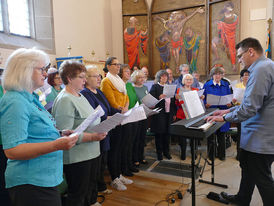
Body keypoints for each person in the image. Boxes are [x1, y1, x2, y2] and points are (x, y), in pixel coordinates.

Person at [0, 48, 78, 206]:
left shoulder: (29, 97)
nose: (46, 73)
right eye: (42, 69)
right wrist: (56, 145)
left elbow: (35, 131)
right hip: (30, 181)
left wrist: (60, 134)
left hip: (43, 177)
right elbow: (13, 150)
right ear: (25, 70)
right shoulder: (15, 101)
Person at [206, 38, 274, 206]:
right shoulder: (266, 65)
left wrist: (223, 118)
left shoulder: (260, 70)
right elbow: (250, 103)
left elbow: (250, 108)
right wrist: (228, 110)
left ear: (251, 51)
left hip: (261, 136)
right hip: (259, 134)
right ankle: (242, 198)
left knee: (262, 178)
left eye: (240, 55)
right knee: (248, 169)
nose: (239, 60)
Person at [52, 61, 107, 206]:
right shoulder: (65, 99)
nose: (85, 80)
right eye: (81, 77)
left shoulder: (79, 95)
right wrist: (93, 136)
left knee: (89, 190)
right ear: (69, 78)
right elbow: (66, 135)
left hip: (92, 152)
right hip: (77, 157)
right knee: (77, 195)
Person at [80, 65, 119, 195]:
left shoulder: (99, 91)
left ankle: (101, 186)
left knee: (103, 160)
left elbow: (108, 107)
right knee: (98, 162)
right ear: (86, 78)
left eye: (99, 76)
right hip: (96, 131)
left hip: (105, 128)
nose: (99, 79)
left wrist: (120, 113)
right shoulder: (85, 93)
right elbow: (92, 114)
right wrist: (108, 117)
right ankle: (97, 188)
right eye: (95, 76)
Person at [100, 57, 133, 191]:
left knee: (120, 148)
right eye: (115, 64)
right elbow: (110, 101)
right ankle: (114, 178)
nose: (118, 66)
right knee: (114, 150)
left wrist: (125, 107)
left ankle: (118, 174)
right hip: (114, 116)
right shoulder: (106, 81)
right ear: (108, 66)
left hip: (122, 115)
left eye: (119, 64)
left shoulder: (119, 80)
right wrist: (121, 109)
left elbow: (126, 97)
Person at [203, 66, 232, 160]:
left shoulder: (226, 84)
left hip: (223, 112)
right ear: (212, 75)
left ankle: (221, 155)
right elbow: (203, 98)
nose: (217, 76)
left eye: (219, 74)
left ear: (222, 75)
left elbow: (229, 97)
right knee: (211, 135)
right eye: (215, 74)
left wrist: (229, 103)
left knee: (222, 134)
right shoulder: (207, 85)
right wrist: (205, 104)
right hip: (211, 112)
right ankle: (211, 155)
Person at [150, 70, 176, 160]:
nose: (164, 78)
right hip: (159, 114)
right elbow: (151, 101)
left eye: (166, 76)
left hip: (168, 114)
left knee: (167, 134)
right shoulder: (155, 87)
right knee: (159, 135)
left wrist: (174, 113)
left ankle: (166, 152)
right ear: (159, 77)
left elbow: (173, 102)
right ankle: (159, 153)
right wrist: (159, 97)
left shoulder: (169, 87)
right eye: (162, 76)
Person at [174, 74, 202, 160]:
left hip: (193, 115)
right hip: (182, 114)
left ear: (192, 81)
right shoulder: (179, 90)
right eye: (187, 80)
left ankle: (194, 153)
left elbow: (198, 103)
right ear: (183, 81)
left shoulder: (196, 90)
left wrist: (201, 98)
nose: (189, 81)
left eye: (190, 79)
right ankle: (183, 153)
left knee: (194, 135)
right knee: (182, 136)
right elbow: (177, 104)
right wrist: (177, 99)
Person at [119, 64, 139, 177]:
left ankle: (130, 163)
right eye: (126, 71)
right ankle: (124, 167)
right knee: (125, 143)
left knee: (131, 142)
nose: (129, 73)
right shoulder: (120, 86)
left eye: (129, 71)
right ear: (121, 73)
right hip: (125, 117)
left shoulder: (130, 86)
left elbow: (135, 99)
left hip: (134, 115)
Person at [131, 69, 149, 166]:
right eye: (139, 77)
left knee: (143, 138)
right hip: (135, 115)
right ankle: (135, 158)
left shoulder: (145, 87)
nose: (142, 79)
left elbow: (147, 98)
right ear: (135, 78)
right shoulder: (132, 88)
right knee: (136, 138)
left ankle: (141, 157)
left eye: (143, 77)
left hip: (145, 114)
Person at [232, 68, 250, 160]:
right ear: (242, 77)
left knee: (249, 134)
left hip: (250, 112)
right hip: (239, 110)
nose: (246, 77)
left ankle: (248, 155)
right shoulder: (237, 86)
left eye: (248, 75)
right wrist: (234, 101)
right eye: (245, 75)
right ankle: (239, 155)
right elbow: (234, 101)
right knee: (240, 134)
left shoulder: (252, 85)